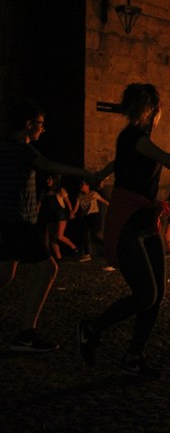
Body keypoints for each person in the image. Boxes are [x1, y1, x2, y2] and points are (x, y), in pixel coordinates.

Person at [76, 83, 170, 378]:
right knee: (146, 294)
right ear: (153, 110)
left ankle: (133, 356)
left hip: (146, 222)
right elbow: (168, 159)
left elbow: (122, 161)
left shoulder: (134, 141)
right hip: (129, 222)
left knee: (157, 293)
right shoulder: (136, 137)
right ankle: (92, 328)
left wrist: (102, 173)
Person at [1, 100, 99, 352]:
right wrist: (84, 173)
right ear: (29, 125)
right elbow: (49, 165)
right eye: (41, 125)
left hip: (8, 221)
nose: (43, 130)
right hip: (17, 222)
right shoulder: (23, 150)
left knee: (5, 274)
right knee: (48, 270)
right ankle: (26, 334)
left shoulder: (6, 149)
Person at [74, 179, 110, 262]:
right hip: (85, 216)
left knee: (94, 236)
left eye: (82, 185)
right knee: (83, 234)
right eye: (80, 185)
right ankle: (87, 254)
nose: (81, 187)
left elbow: (103, 201)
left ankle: (108, 249)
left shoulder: (93, 194)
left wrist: (112, 206)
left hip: (94, 215)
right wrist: (72, 213)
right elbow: (76, 207)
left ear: (87, 186)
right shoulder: (80, 196)